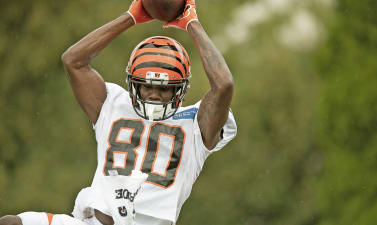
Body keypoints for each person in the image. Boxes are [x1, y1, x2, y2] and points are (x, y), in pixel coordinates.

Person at [0, 0, 236, 224]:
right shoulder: (113, 104)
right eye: (147, 85)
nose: (154, 94)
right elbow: (73, 60)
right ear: (134, 84)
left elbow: (223, 84)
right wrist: (131, 16)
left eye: (164, 88)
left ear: (180, 89)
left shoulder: (196, 125)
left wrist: (190, 21)